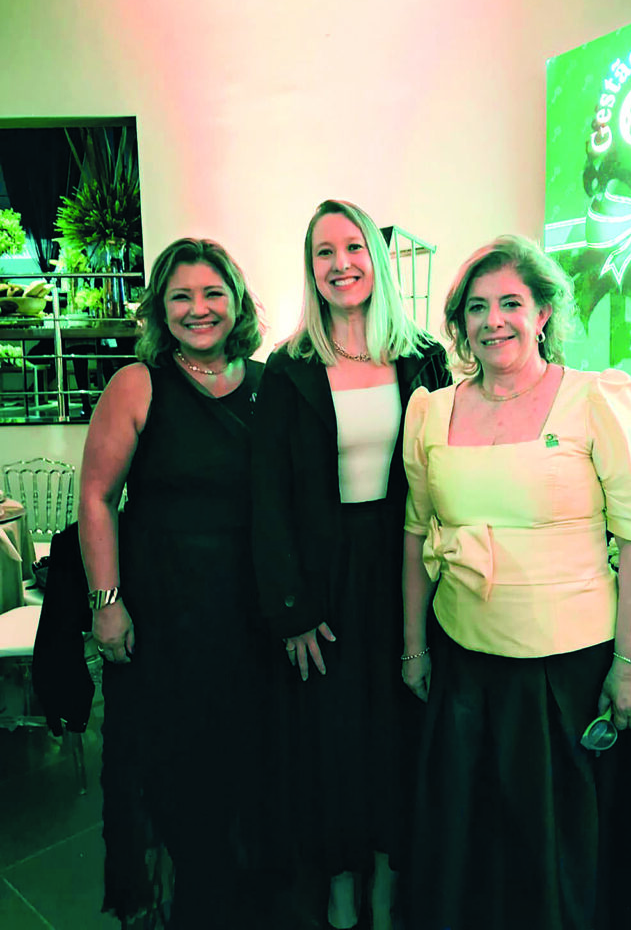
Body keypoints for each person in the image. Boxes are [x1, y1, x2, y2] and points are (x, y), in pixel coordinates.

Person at [401, 236, 631, 930]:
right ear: (460, 322)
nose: (493, 321)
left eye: (511, 303)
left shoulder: (594, 398)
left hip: (567, 676)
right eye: (477, 307)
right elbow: (416, 536)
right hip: (466, 671)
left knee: (556, 869)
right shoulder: (430, 411)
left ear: (544, 313)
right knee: (473, 865)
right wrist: (414, 648)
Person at [252, 199, 451, 930]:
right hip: (323, 578)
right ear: (311, 269)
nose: (341, 264)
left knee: (400, 729)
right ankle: (339, 884)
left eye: (353, 247)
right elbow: (268, 496)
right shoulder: (291, 367)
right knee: (332, 739)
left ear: (376, 256)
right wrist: (292, 609)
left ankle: (392, 882)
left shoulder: (422, 355)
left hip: (405, 566)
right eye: (324, 252)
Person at [78, 238, 283, 929]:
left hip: (249, 621)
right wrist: (107, 604)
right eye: (181, 296)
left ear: (237, 301)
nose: (199, 308)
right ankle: (189, 907)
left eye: (213, 293)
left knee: (248, 770)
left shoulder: (269, 385)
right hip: (164, 622)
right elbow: (96, 498)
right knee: (176, 772)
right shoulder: (138, 384)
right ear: (160, 309)